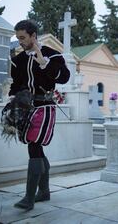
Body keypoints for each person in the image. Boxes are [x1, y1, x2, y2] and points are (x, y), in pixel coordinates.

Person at [9, 20, 70, 210]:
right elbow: (16, 84)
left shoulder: (53, 54)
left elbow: (64, 77)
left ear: (33, 36)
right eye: (18, 37)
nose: (19, 41)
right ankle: (43, 192)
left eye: (23, 37)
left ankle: (29, 197)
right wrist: (12, 101)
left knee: (34, 146)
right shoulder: (18, 60)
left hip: (45, 106)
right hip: (26, 107)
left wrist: (44, 62)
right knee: (35, 147)